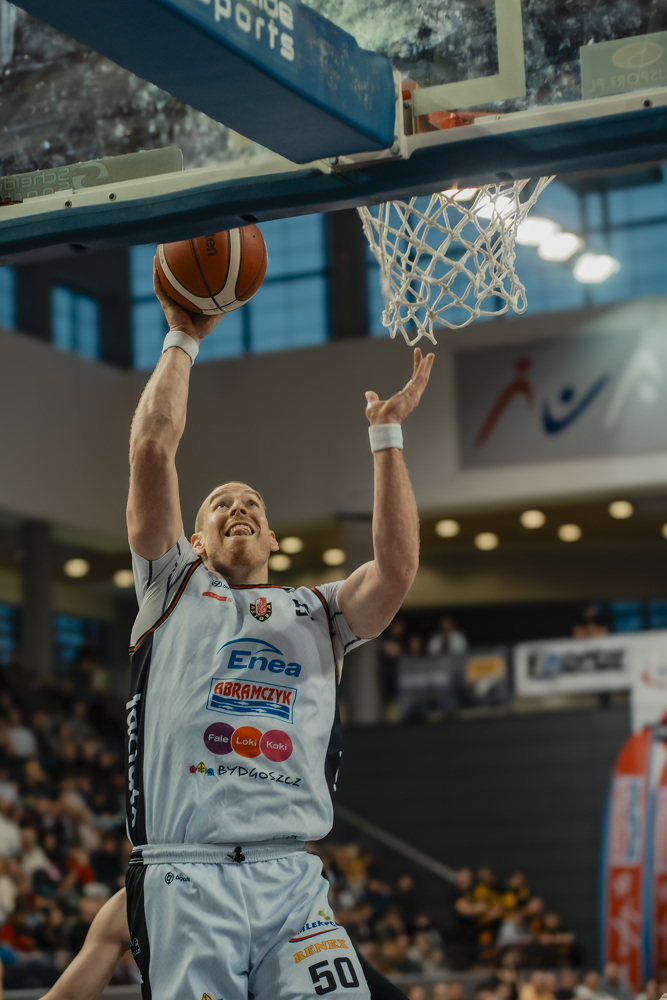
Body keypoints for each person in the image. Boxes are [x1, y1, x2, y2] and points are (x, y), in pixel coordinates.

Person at [124, 263, 434, 1000]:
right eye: (219, 503)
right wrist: (182, 338)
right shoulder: (172, 585)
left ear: (271, 538)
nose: (237, 506)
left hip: (291, 879)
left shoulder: (318, 610)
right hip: (187, 875)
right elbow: (151, 452)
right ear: (195, 540)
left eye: (252, 503)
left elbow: (395, 571)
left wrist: (386, 436)